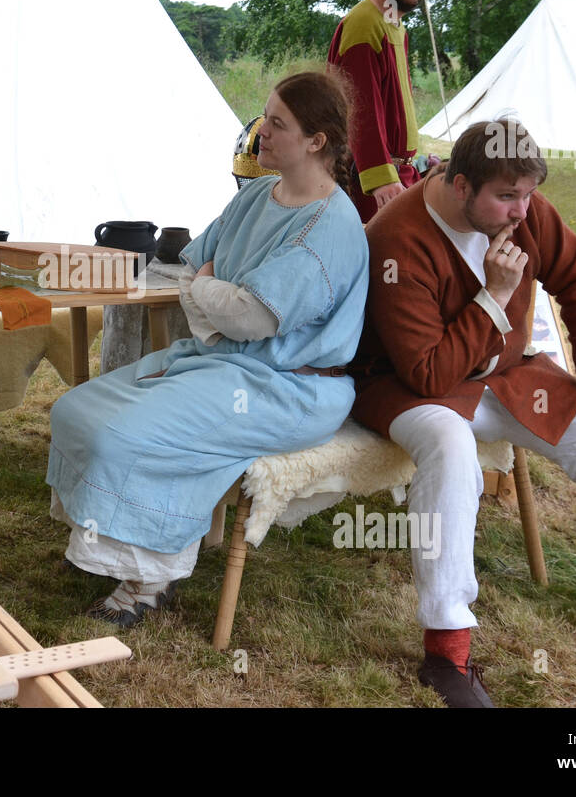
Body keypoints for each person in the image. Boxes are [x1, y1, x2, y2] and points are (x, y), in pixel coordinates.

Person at [351, 118, 576, 707]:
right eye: (507, 197)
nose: (523, 211)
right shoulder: (396, 237)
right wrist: (493, 296)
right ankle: (447, 648)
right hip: (411, 391)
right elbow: (427, 373)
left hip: (507, 378)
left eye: (528, 195)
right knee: (450, 446)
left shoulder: (525, 208)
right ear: (459, 182)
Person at [47, 72, 369, 624]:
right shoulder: (254, 199)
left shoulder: (331, 227)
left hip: (290, 388)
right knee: (75, 409)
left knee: (126, 435)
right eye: (264, 117)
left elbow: (253, 315)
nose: (260, 132)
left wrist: (214, 299)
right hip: (220, 360)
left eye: (276, 123)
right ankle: (117, 540)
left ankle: (146, 581)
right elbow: (194, 269)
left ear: (317, 141)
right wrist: (219, 306)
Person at [327, 0, 431, 224]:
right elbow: (360, 110)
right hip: (366, 181)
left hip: (398, 174)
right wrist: (381, 178)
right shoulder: (364, 24)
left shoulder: (395, 25)